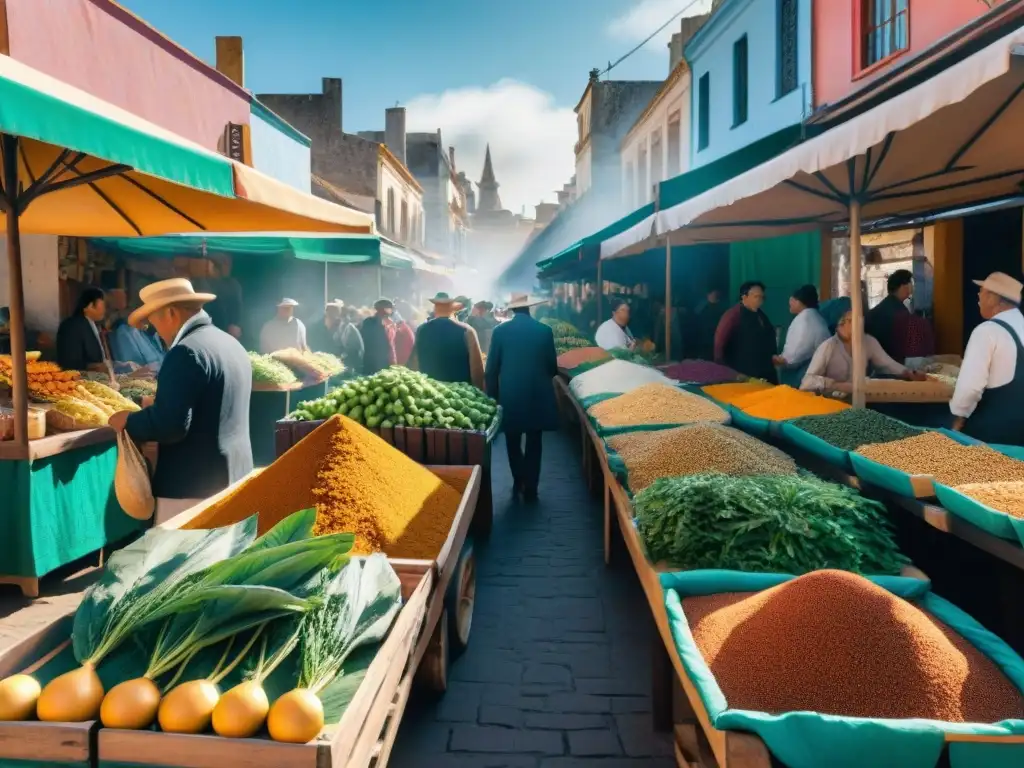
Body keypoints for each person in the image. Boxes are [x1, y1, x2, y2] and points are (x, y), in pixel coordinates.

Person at [108, 279, 253, 520]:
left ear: (172, 313)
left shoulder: (185, 351)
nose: (156, 334)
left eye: (154, 325)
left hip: (193, 487)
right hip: (234, 475)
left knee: (181, 557)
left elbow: (171, 424)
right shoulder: (230, 343)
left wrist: (129, 421)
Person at [486, 293, 559, 503]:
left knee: (512, 438)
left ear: (512, 310)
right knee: (535, 440)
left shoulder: (500, 331)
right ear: (530, 309)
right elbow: (552, 367)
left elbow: (491, 369)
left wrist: (493, 398)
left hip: (511, 394)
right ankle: (532, 485)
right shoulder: (545, 331)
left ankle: (519, 479)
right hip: (537, 393)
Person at [950, 273, 1024, 444]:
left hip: (996, 434)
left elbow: (969, 388)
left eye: (981, 292)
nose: (978, 297)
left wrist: (956, 421)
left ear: (993, 298)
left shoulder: (987, 331)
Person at [800, 309, 925, 393]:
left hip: (860, 402)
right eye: (850, 322)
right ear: (841, 324)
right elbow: (807, 382)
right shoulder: (828, 346)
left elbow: (888, 364)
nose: (856, 327)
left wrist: (908, 373)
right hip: (829, 404)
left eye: (859, 323)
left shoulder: (868, 342)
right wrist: (835, 385)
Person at [409, 293, 484, 388]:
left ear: (435, 309)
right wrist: (479, 391)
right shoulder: (467, 331)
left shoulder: (421, 330)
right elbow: (476, 369)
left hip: (430, 391)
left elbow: (415, 363)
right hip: (459, 394)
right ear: (452, 309)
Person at [714, 282, 778, 383]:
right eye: (756, 296)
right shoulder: (732, 316)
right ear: (744, 297)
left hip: (763, 371)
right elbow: (719, 345)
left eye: (762, 297)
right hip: (741, 373)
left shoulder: (761, 316)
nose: (760, 300)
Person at [774, 285, 830, 388]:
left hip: (805, 374)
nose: (789, 303)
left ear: (799, 301)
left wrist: (783, 359)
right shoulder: (815, 317)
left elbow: (799, 350)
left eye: (792, 300)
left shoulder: (805, 320)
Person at [56, 287, 110, 372]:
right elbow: (68, 362)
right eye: (103, 305)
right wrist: (93, 366)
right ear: (89, 306)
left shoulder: (93, 324)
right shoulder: (72, 326)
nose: (104, 309)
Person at [865, 269, 913, 363]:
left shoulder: (883, 306)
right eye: (911, 283)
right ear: (903, 286)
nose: (912, 286)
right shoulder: (900, 311)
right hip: (891, 364)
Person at [361, 298, 398, 374]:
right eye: (390, 308)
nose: (392, 311)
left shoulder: (390, 323)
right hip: (373, 362)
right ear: (383, 309)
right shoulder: (369, 322)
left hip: (387, 361)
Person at [694, 288, 726, 360]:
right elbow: (696, 315)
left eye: (715, 294)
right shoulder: (703, 306)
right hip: (704, 336)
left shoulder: (721, 307)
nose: (712, 296)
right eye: (711, 294)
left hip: (716, 335)